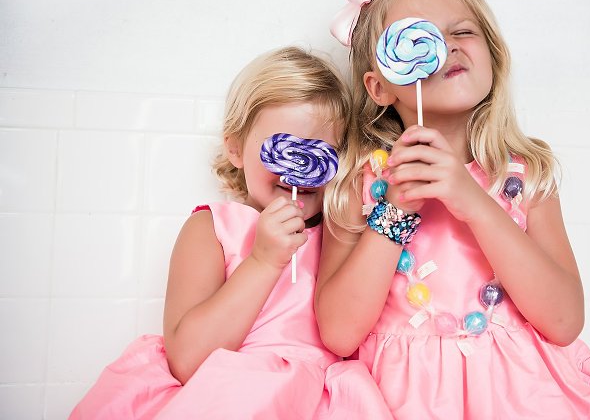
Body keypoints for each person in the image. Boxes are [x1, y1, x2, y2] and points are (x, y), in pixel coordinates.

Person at [316, 0, 590, 419]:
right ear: (379, 86)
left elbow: (565, 320)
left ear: (493, 54)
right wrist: (395, 211)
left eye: (463, 31)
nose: (447, 46)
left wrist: (473, 201)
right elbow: (338, 334)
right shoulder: (356, 185)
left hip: (521, 397)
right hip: (402, 401)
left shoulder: (524, 176)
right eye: (419, 35)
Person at [70, 47, 392, 419]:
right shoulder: (212, 229)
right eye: (283, 149)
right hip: (229, 397)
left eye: (321, 152)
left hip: (324, 401)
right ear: (236, 149)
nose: (298, 168)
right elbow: (188, 360)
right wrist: (262, 260)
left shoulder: (345, 235)